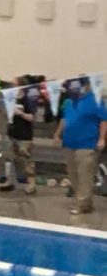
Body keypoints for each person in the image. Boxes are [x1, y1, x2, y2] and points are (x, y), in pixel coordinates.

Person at [54, 77, 107, 215]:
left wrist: (102, 139)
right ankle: (85, 203)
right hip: (70, 142)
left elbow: (103, 120)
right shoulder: (69, 102)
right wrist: (57, 134)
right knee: (73, 175)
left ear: (86, 86)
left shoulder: (95, 100)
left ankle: (82, 203)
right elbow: (65, 119)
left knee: (85, 175)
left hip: (87, 143)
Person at [0, 76, 38, 195]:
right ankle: (10, 181)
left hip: (24, 135)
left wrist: (20, 113)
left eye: (13, 84)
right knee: (9, 158)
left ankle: (31, 184)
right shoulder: (10, 99)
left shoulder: (28, 99)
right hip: (12, 133)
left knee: (26, 160)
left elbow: (32, 117)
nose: (11, 87)